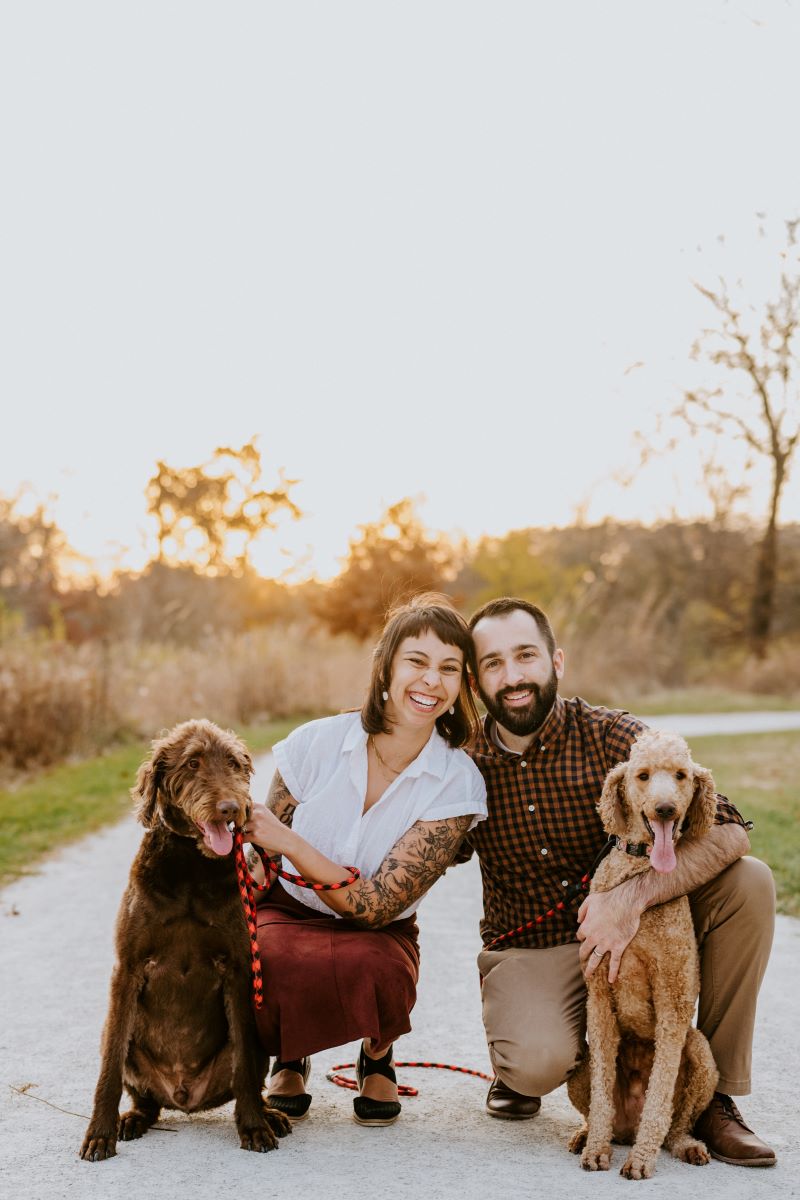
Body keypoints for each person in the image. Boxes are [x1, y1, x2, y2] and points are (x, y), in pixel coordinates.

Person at [460, 596, 777, 1168]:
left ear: (557, 661)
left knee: (749, 883)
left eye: (526, 656)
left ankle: (714, 1097)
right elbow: (414, 851)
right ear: (476, 679)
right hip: (538, 948)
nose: (512, 677)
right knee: (535, 1061)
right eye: (493, 663)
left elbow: (730, 830)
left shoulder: (614, 736)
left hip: (639, 928)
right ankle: (524, 1064)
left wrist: (629, 897)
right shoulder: (462, 761)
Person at [243, 593, 487, 1127]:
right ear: (387, 666)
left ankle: (377, 1054)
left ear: (462, 685)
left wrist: (293, 845)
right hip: (291, 905)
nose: (430, 681)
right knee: (267, 954)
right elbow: (261, 847)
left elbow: (377, 906)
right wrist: (262, 855)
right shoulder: (314, 744)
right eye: (417, 662)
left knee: (378, 969)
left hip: (379, 928)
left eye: (449, 668)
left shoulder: (457, 780)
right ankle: (289, 1055)